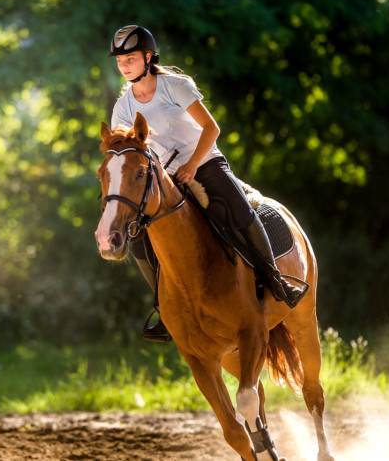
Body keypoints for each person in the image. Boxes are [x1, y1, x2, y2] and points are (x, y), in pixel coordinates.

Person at [108, 25, 307, 342]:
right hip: (165, 179)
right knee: (139, 238)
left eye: (130, 58)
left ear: (148, 57)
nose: (124, 65)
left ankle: (276, 279)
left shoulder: (175, 86)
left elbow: (211, 129)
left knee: (240, 212)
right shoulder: (123, 107)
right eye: (120, 60)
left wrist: (191, 164)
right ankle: (163, 306)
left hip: (204, 162)